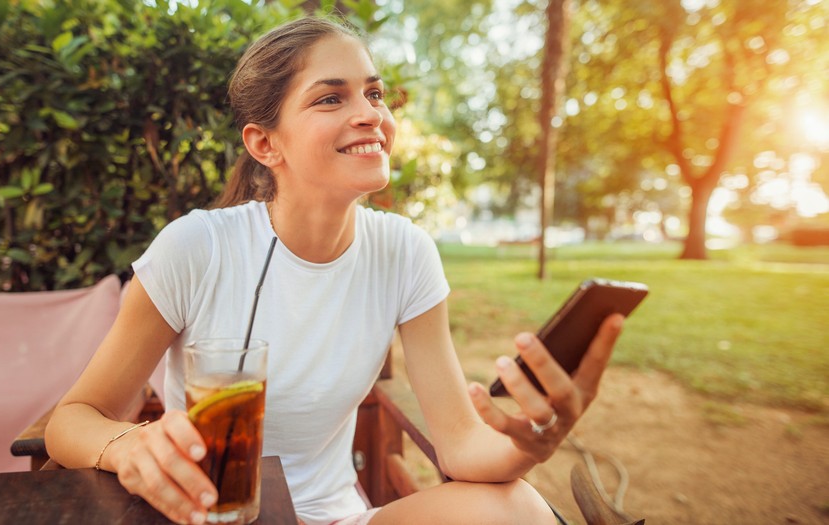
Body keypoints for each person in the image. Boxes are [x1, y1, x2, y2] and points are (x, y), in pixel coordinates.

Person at [45, 16, 625, 525]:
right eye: (330, 99)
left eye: (374, 94)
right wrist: (128, 445)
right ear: (264, 144)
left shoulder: (405, 252)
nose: (370, 114)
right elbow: (72, 420)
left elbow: (460, 446)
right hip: (212, 512)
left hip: (336, 517)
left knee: (518, 507)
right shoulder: (197, 248)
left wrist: (530, 444)